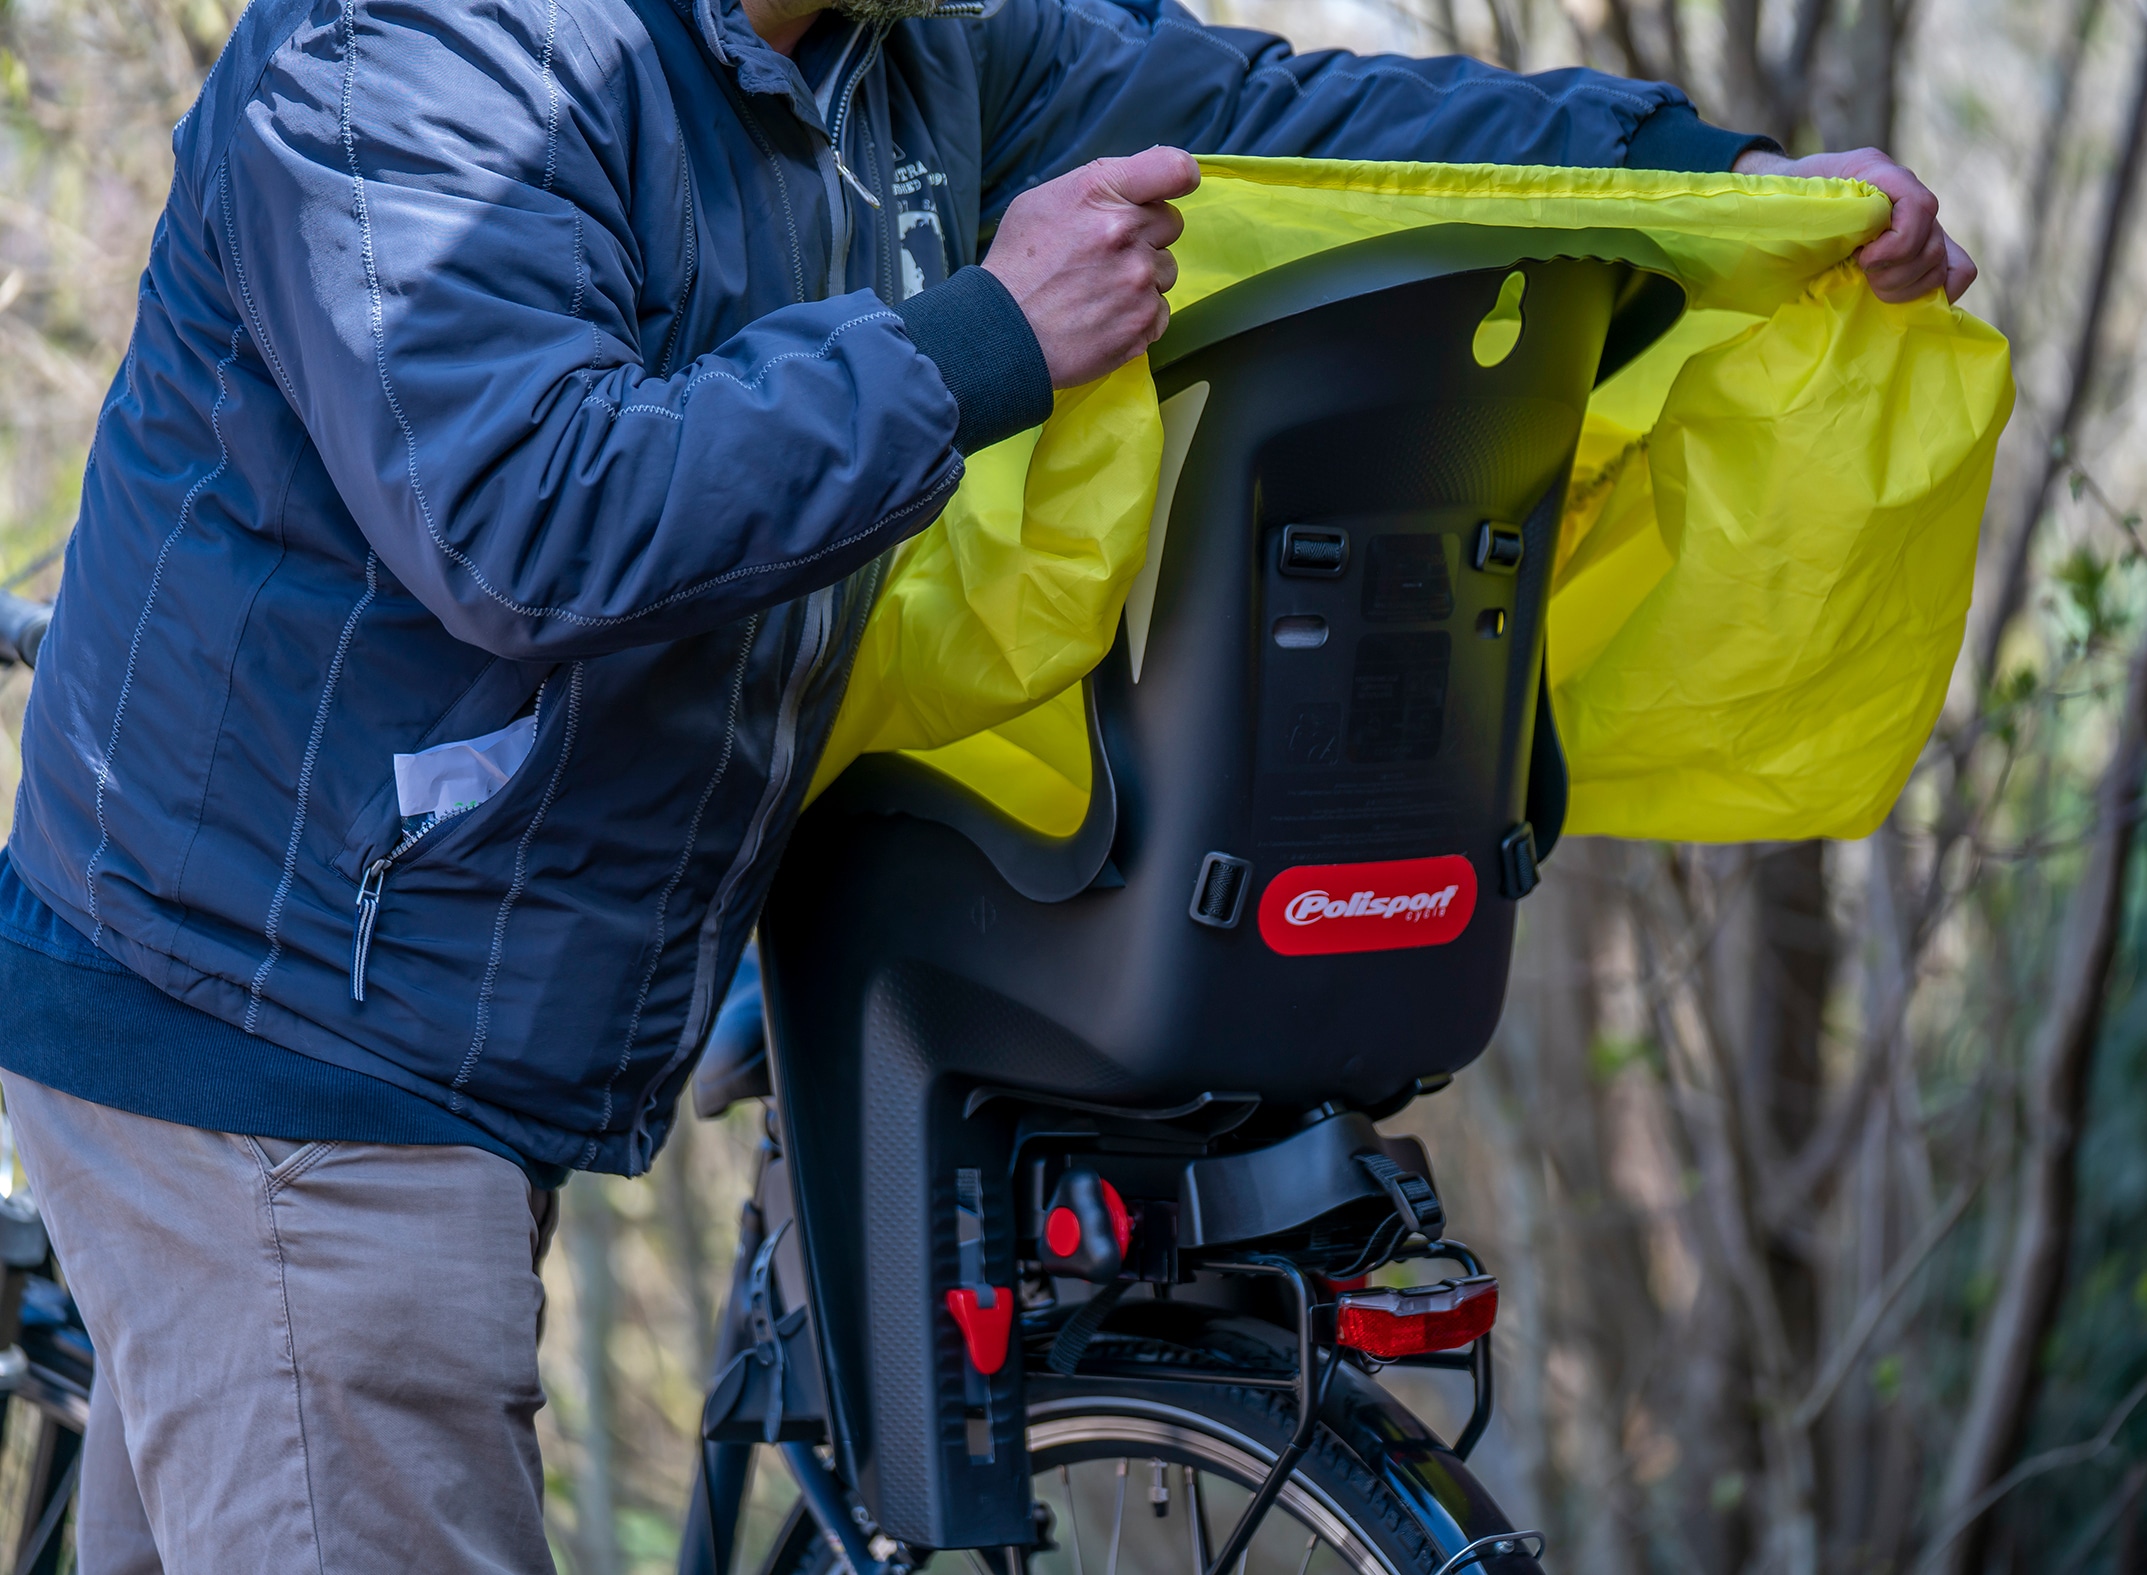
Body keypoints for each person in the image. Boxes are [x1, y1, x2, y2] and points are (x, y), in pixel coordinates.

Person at [0, 0, 1974, 1567]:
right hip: (273, 1032)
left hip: (461, 997)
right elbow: (526, 515)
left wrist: (1722, 178)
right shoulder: (412, 52)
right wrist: (981, 341)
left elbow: (1285, 120)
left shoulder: (919, 48)